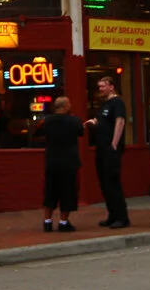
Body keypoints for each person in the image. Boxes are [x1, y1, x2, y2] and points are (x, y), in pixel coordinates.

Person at [84, 74, 129, 228]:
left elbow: (120, 121)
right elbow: (100, 120)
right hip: (101, 148)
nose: (100, 89)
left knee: (112, 183)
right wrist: (92, 122)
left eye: (103, 86)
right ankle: (112, 215)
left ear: (111, 86)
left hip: (110, 149)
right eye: (99, 87)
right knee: (104, 183)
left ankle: (122, 218)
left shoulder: (117, 103)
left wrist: (114, 144)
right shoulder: (104, 104)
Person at [38, 96, 83, 232]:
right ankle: (63, 222)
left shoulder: (47, 120)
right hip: (69, 161)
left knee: (50, 191)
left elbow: (38, 133)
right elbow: (81, 132)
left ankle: (47, 221)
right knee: (68, 192)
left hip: (52, 160)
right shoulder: (74, 120)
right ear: (65, 107)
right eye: (68, 104)